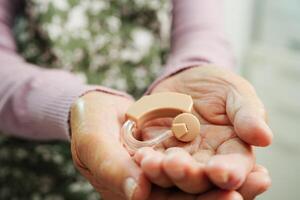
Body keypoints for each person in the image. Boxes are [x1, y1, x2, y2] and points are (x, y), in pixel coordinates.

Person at [0, 0, 272, 199]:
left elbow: (203, 33)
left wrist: (198, 69)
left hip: (147, 159)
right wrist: (76, 103)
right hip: (32, 169)